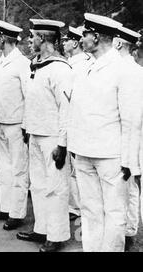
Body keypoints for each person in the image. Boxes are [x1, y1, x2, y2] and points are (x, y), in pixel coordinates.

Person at [68, 13, 141, 252]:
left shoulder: (123, 69)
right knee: (90, 211)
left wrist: (131, 161)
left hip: (111, 156)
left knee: (114, 212)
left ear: (96, 37)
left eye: (85, 34)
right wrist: (73, 147)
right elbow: (76, 109)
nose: (81, 39)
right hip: (84, 151)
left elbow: (132, 120)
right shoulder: (84, 67)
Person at [17, 19, 72, 252]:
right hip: (36, 134)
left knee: (56, 187)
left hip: (52, 138)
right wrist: (28, 128)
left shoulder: (60, 69)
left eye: (32, 37)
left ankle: (56, 236)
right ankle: (42, 229)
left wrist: (62, 144)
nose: (30, 41)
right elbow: (33, 101)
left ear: (43, 39)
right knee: (38, 185)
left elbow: (66, 108)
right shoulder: (36, 65)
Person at [0, 20, 30, 231]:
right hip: (2, 123)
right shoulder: (1, 61)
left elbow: (29, 96)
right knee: (4, 168)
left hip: (17, 125)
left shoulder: (22, 63)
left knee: (19, 169)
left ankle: (17, 213)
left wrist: (27, 125)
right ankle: (6, 207)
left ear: (4, 39)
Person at [113, 25, 143, 251]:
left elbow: (132, 119)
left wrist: (129, 157)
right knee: (126, 188)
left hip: (129, 139)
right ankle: (126, 229)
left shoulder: (129, 71)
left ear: (119, 43)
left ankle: (129, 231)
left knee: (129, 187)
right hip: (121, 139)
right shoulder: (123, 69)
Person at [61, 26, 94, 222]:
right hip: (71, 123)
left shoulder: (80, 64)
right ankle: (74, 206)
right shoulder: (71, 63)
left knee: (77, 170)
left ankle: (79, 208)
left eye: (67, 40)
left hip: (77, 124)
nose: (63, 43)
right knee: (72, 170)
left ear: (75, 43)